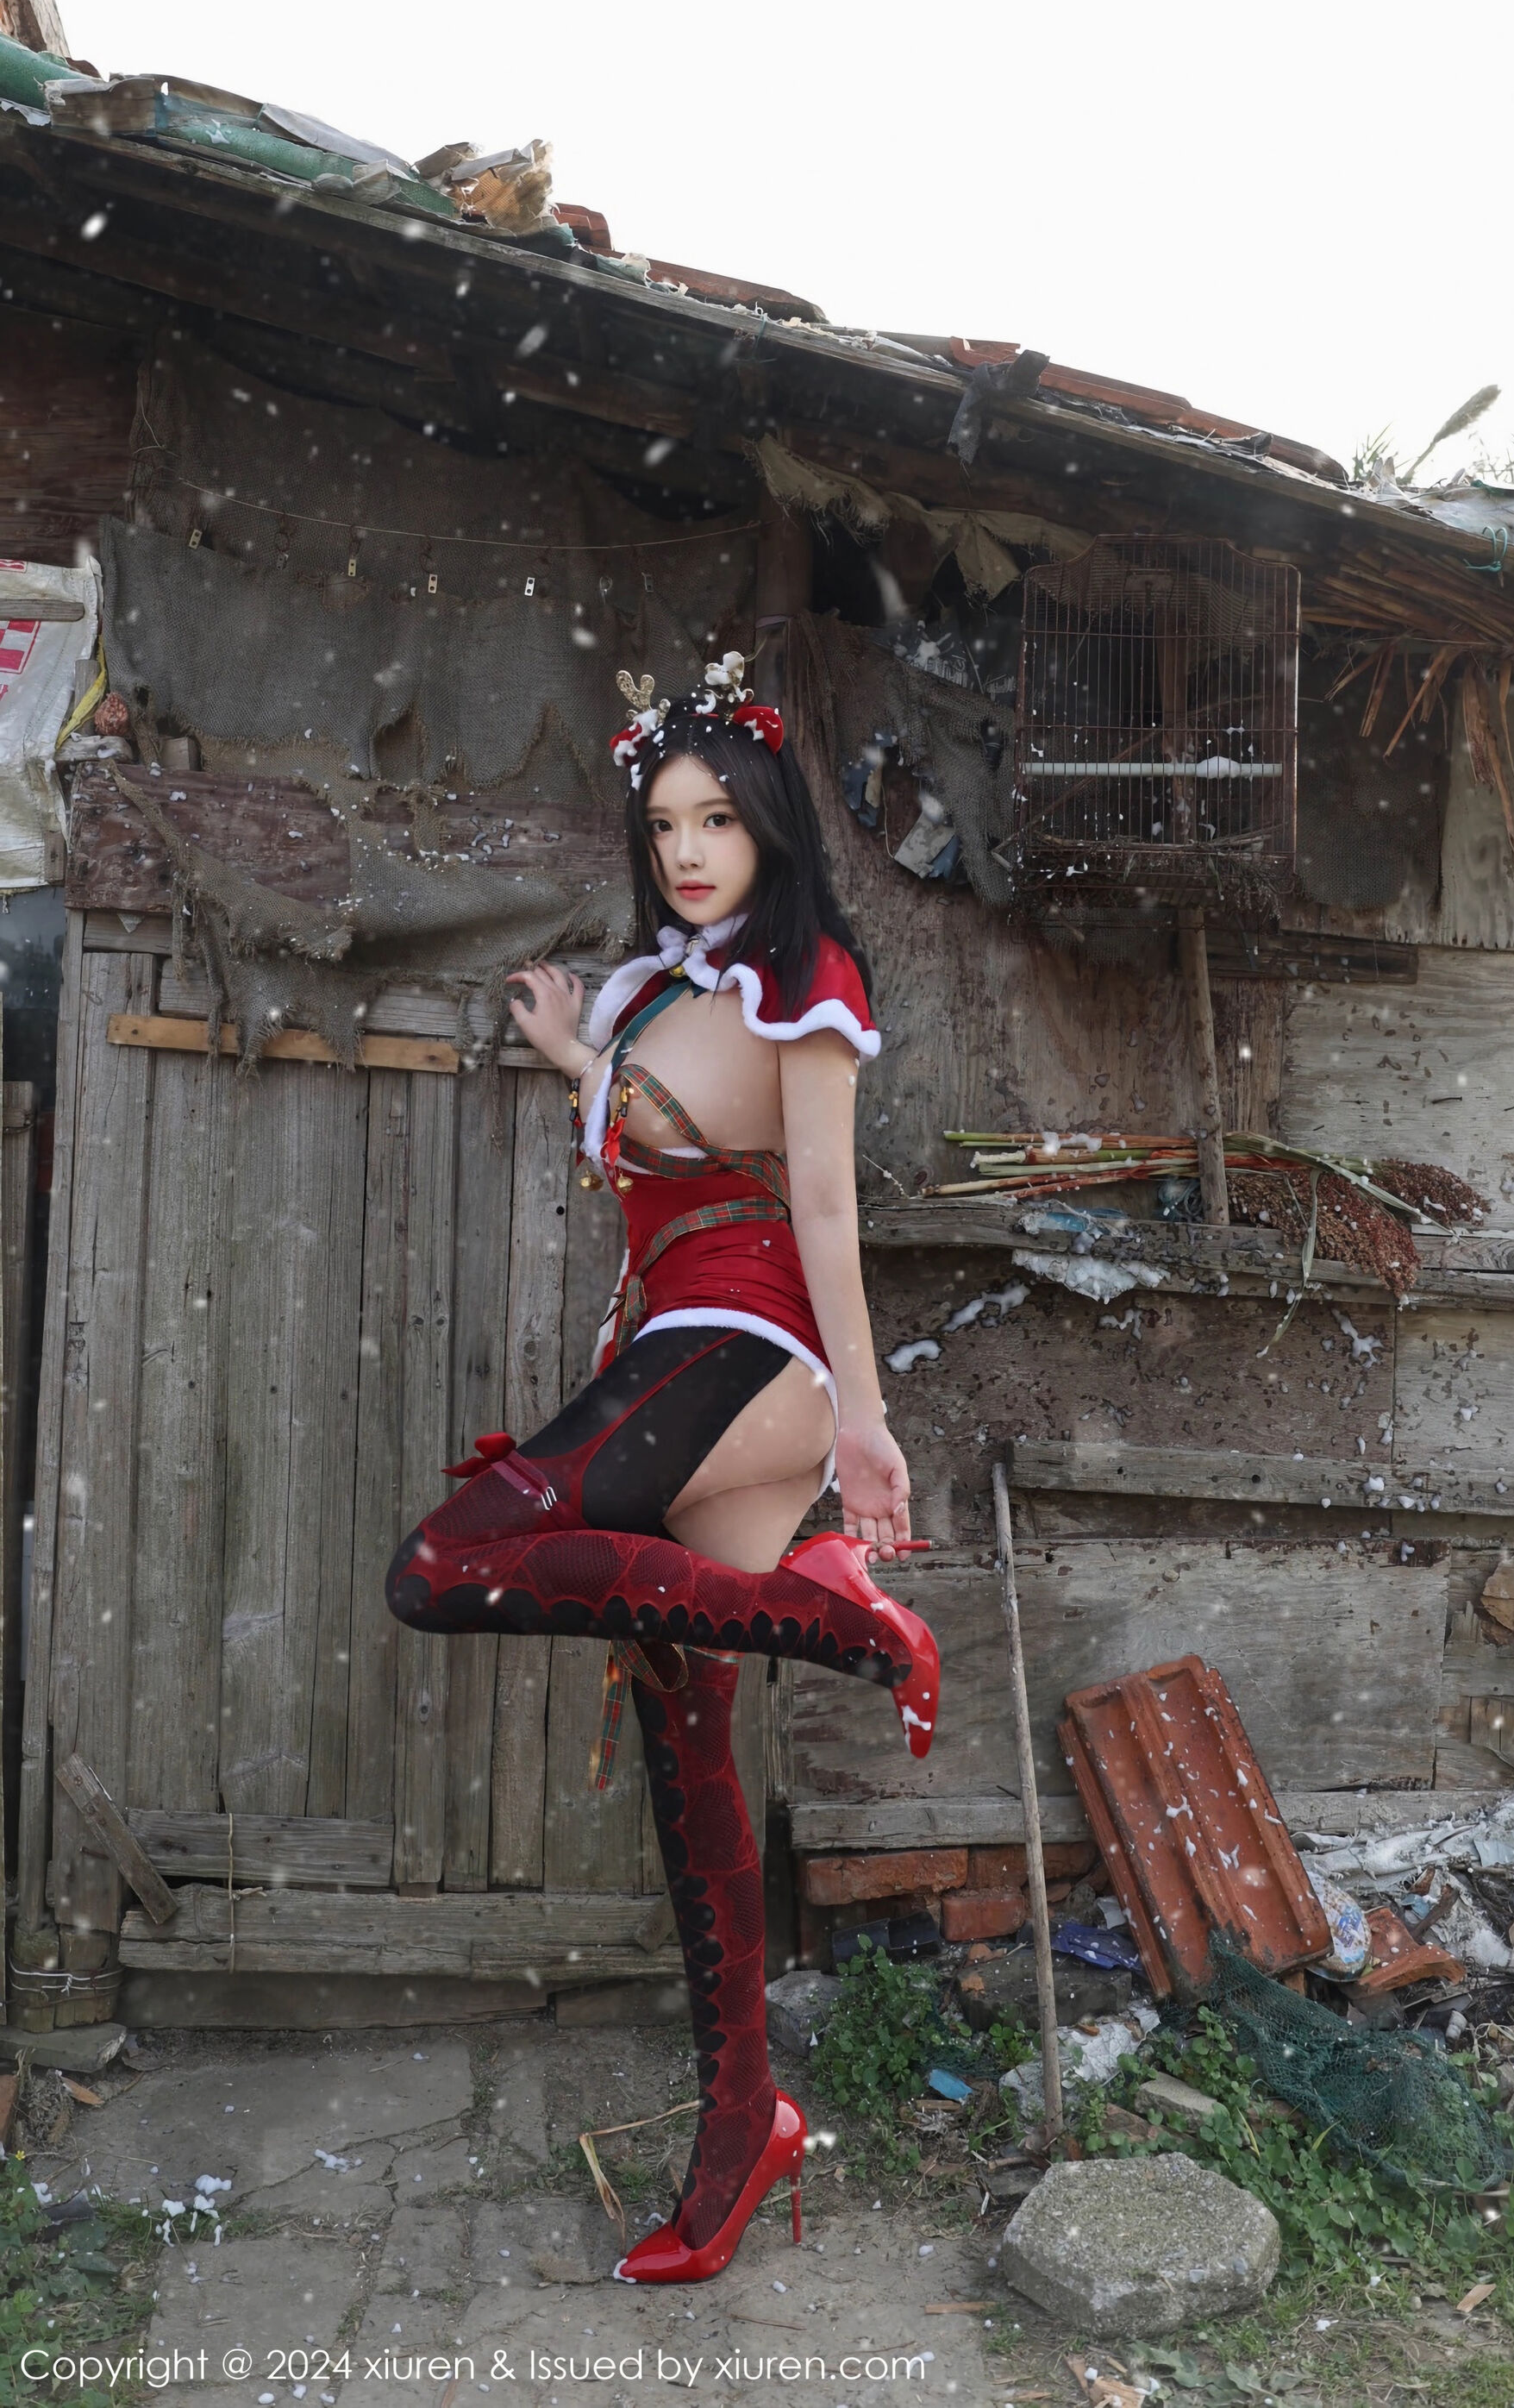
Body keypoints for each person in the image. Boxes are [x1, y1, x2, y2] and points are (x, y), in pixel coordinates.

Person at [385, 653, 938, 2283]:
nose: (688, 850)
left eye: (717, 820)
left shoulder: (805, 976)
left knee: (444, 1566)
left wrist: (865, 1421)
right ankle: (743, 2124)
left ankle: (844, 1615)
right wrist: (579, 1054)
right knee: (694, 1780)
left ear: (768, 822)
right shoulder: (657, 992)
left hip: (750, 1357)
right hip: (677, 1360)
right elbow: (671, 1136)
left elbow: (821, 1204)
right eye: (665, 825)